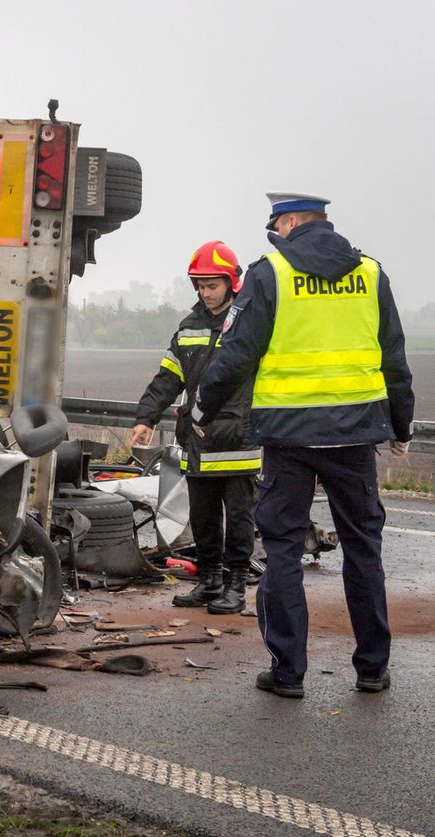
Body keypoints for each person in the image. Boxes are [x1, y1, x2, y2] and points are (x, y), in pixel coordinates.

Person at [194, 193, 413, 699]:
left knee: (285, 552)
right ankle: (372, 669)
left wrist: (203, 407)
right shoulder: (371, 273)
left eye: (277, 225)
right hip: (355, 435)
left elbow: (237, 353)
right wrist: (400, 425)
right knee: (363, 551)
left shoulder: (270, 272)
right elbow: (393, 356)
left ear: (289, 221)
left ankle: (288, 673)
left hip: (289, 438)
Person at [133, 241, 260, 614]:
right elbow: (168, 378)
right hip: (197, 440)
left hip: (237, 439)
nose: (205, 293)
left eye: (212, 285)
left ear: (231, 283)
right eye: (200, 285)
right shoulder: (188, 327)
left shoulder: (248, 325)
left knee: (238, 518)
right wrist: (146, 418)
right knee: (203, 516)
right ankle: (209, 581)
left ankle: (236, 584)